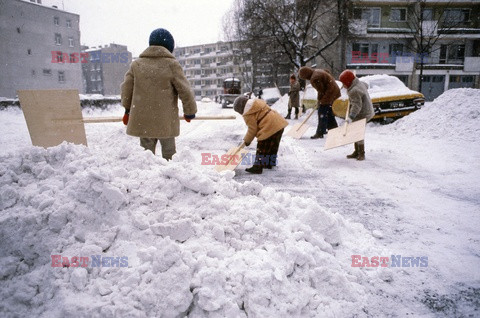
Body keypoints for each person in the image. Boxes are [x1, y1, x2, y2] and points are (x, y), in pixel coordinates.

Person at [121, 28, 197, 160]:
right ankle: (170, 177)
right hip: (165, 121)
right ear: (169, 47)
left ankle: (146, 178)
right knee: (169, 156)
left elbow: (127, 89)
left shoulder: (137, 65)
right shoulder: (172, 65)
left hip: (143, 121)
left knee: (146, 157)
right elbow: (185, 90)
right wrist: (189, 111)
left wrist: (127, 110)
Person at [233, 95, 288, 174]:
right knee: (273, 144)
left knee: (262, 146)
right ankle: (270, 162)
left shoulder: (248, 114)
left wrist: (247, 141)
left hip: (269, 125)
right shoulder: (257, 103)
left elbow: (252, 129)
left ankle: (257, 167)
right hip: (278, 122)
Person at [338, 70, 374, 161]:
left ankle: (361, 153)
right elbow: (366, 85)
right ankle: (356, 151)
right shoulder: (359, 83)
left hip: (363, 113)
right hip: (367, 110)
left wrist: (351, 117)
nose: (343, 86)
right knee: (355, 130)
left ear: (348, 82)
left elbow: (357, 105)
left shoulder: (354, 90)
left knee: (358, 132)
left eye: (344, 83)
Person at [298, 67, 340, 139]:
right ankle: (334, 129)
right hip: (334, 91)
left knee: (322, 112)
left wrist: (320, 100)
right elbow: (327, 72)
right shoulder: (317, 71)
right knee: (328, 111)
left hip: (329, 92)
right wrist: (319, 100)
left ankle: (320, 132)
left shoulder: (314, 78)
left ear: (306, 75)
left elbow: (321, 90)